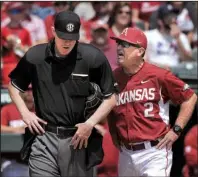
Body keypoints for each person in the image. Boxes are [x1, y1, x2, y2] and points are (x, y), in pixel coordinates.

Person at [8, 11, 117, 177]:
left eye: (72, 37)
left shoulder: (93, 57)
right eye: (63, 36)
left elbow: (111, 97)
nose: (67, 42)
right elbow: (14, 86)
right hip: (44, 138)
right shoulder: (36, 56)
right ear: (53, 31)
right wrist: (25, 113)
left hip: (78, 139)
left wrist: (90, 123)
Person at [108, 27, 197, 177]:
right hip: (126, 154)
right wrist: (113, 132)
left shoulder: (158, 75)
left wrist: (176, 130)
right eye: (119, 43)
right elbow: (110, 107)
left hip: (154, 152)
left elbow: (190, 97)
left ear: (140, 51)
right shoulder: (113, 77)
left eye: (125, 44)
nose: (119, 48)